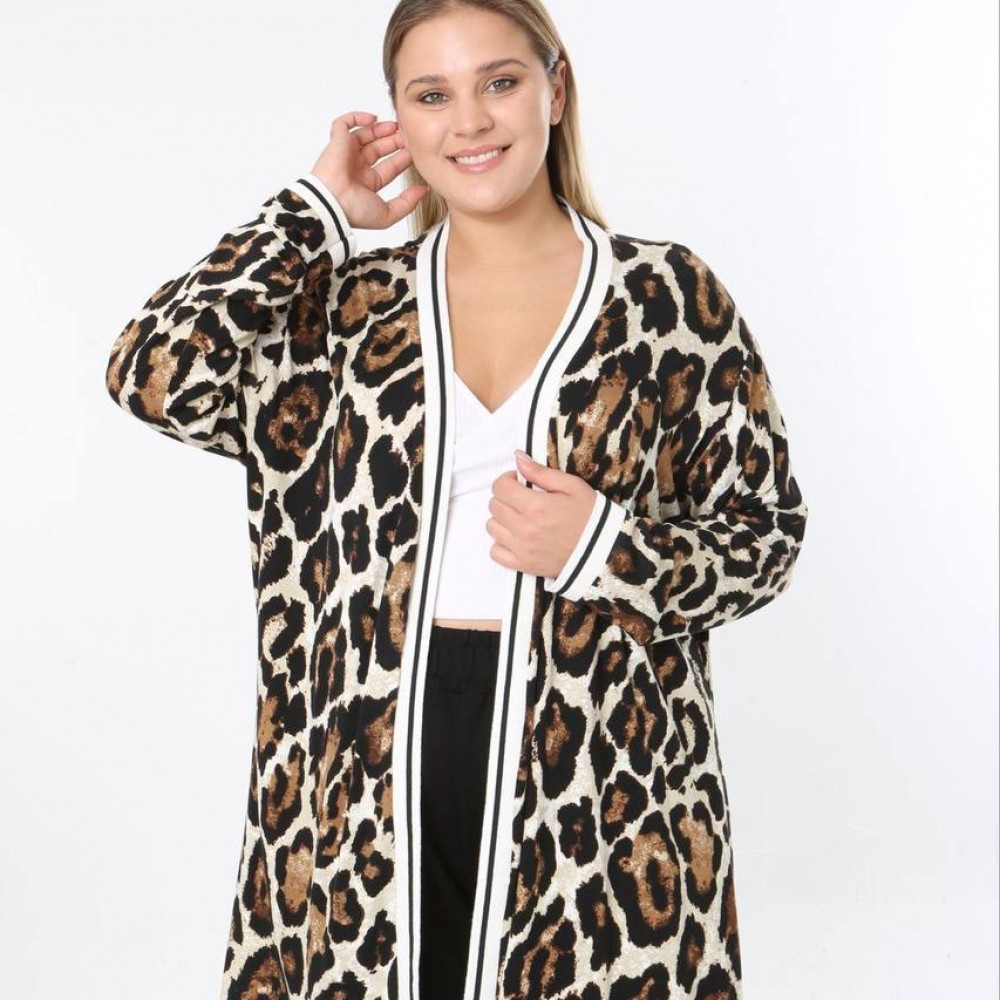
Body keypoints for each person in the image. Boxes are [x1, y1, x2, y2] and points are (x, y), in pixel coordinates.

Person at [103, 1, 809, 998]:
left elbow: (766, 536)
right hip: (363, 771)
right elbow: (154, 373)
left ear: (554, 92)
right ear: (396, 120)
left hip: (602, 788)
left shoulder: (664, 299)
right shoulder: (347, 314)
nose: (470, 121)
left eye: (500, 82)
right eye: (431, 96)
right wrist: (315, 210)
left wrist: (607, 549)